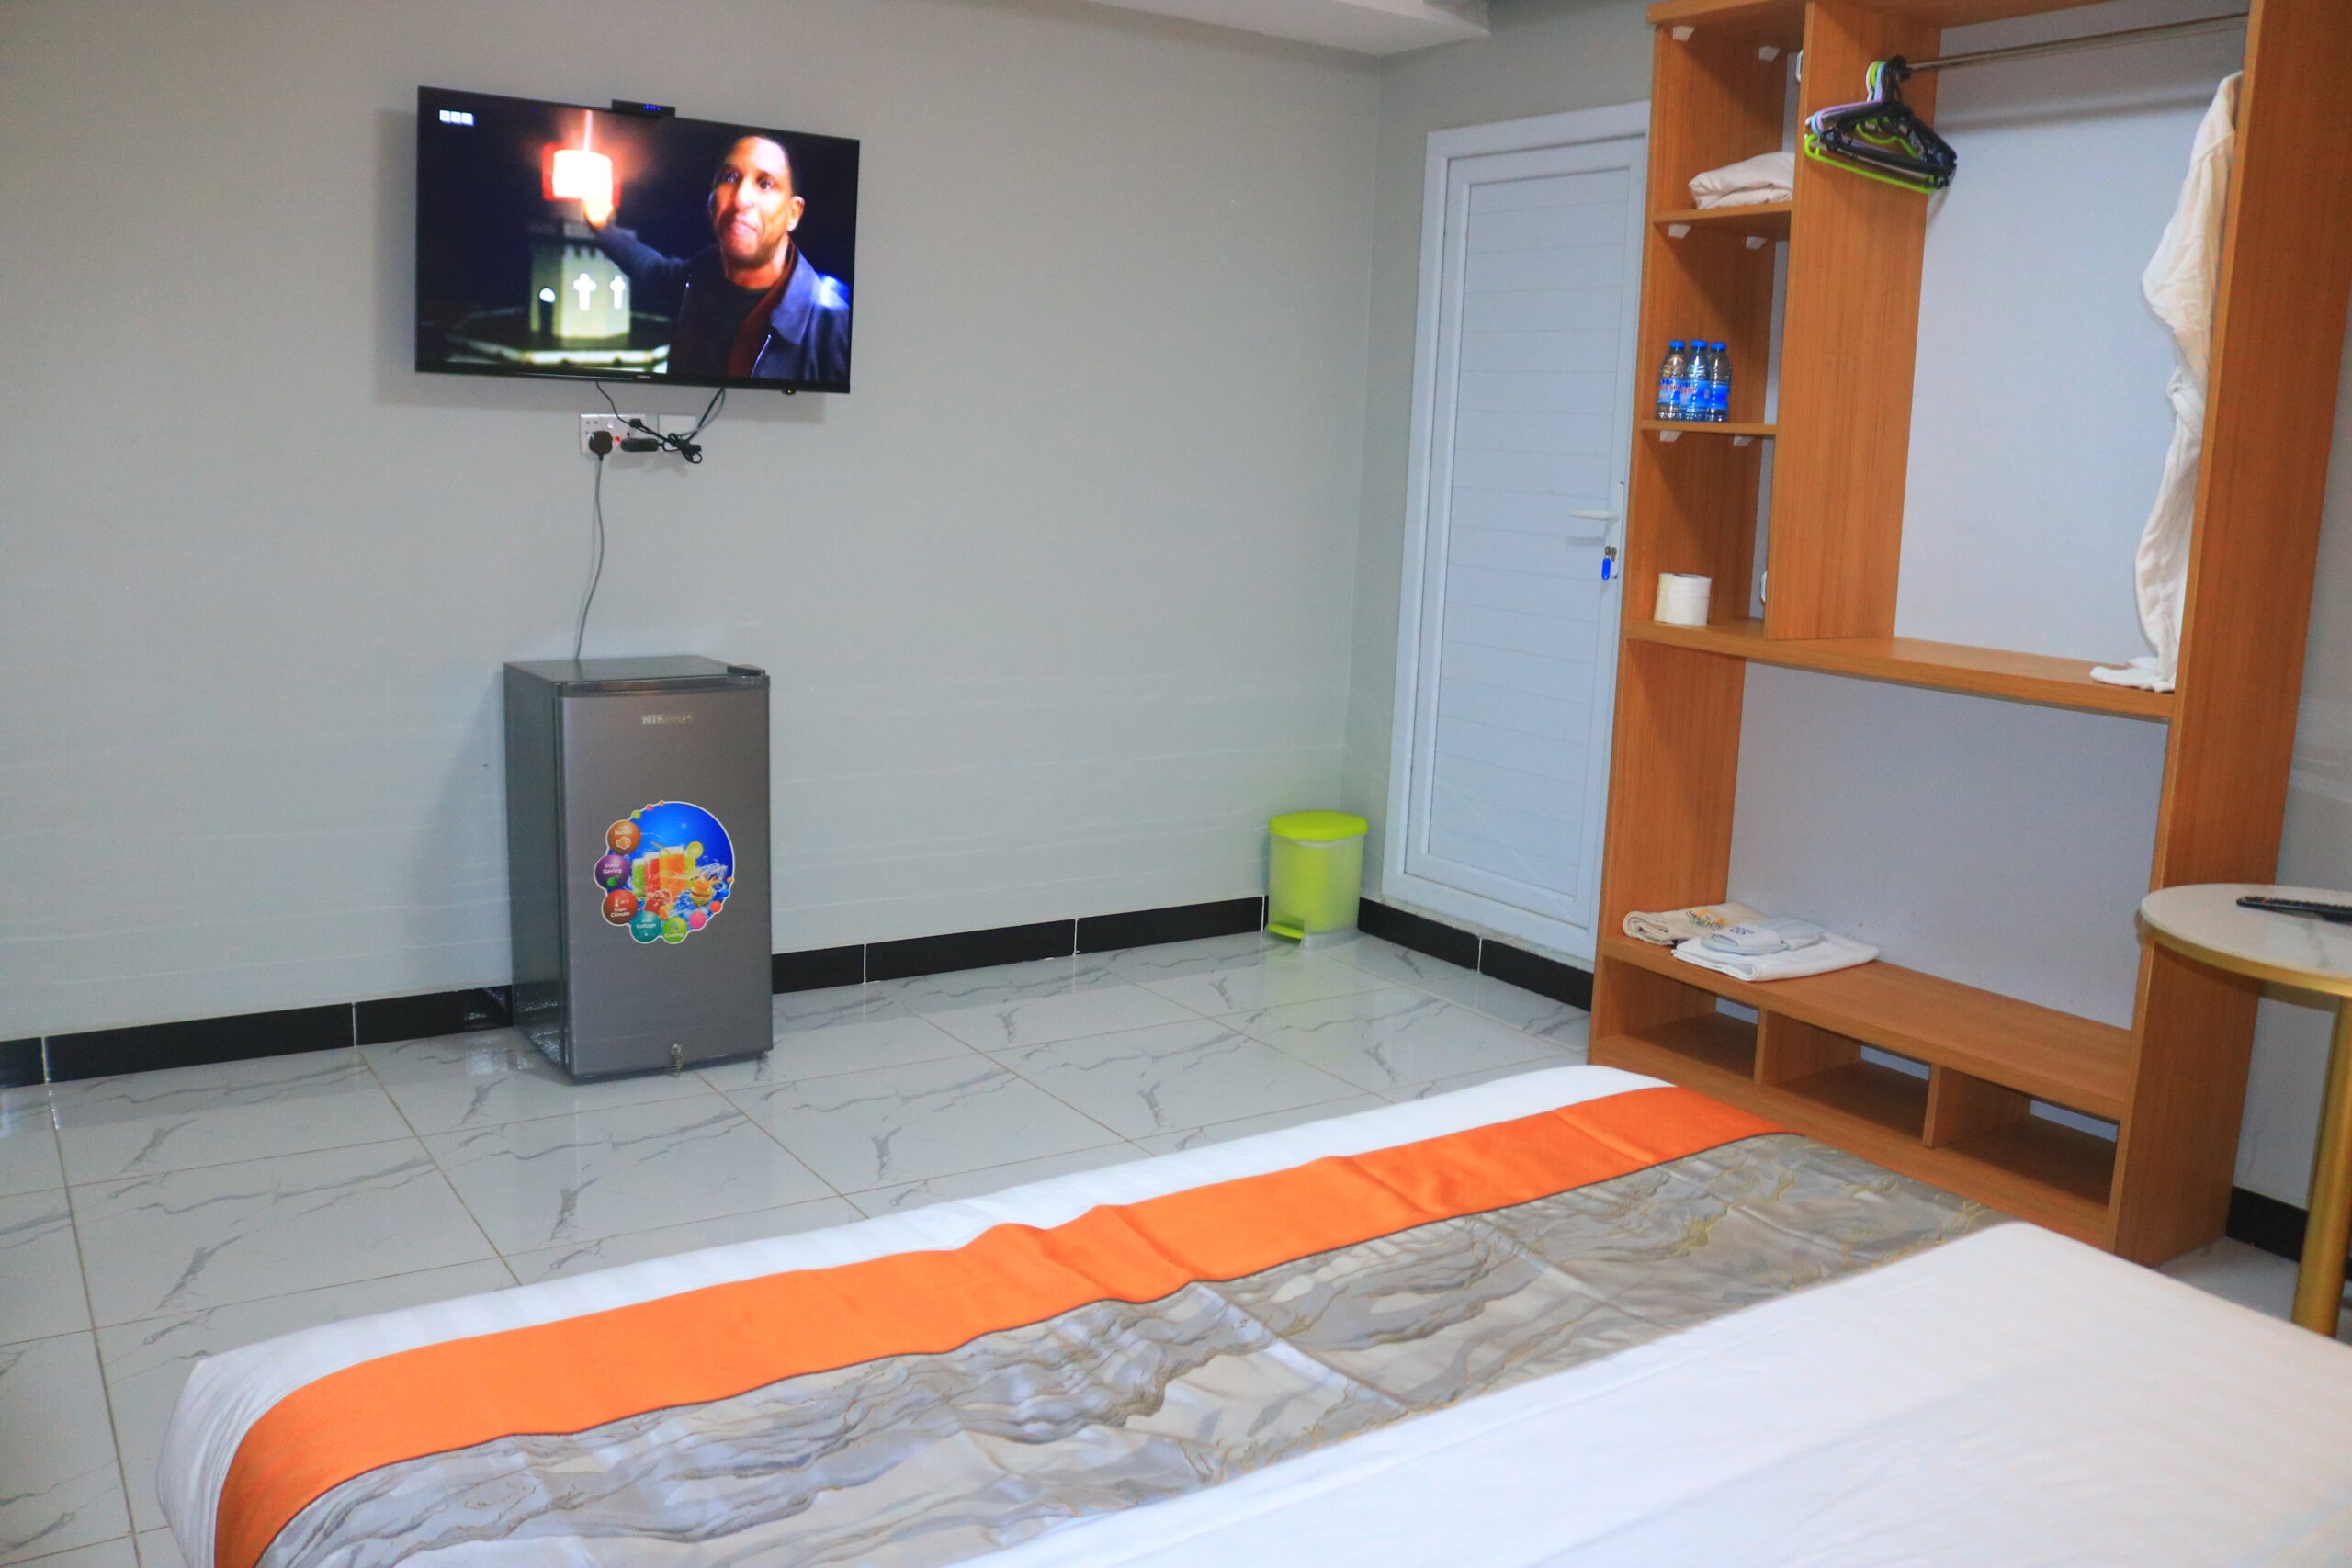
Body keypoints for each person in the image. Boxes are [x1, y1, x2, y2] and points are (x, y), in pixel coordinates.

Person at [582, 135, 850, 387]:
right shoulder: (702, 275)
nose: (741, 199)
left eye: (765, 184)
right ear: (710, 200)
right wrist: (602, 227)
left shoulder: (831, 321)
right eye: (729, 177)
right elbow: (653, 270)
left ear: (793, 213)